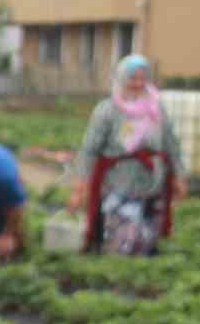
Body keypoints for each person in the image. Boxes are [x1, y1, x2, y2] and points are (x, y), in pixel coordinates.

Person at [66, 54, 188, 255]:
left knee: (148, 234)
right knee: (122, 235)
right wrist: (82, 184)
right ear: (121, 78)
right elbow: (90, 149)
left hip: (153, 180)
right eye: (133, 78)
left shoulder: (156, 108)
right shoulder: (107, 110)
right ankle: (117, 264)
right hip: (119, 179)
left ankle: (145, 265)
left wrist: (179, 175)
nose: (138, 83)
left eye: (143, 78)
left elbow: (171, 143)